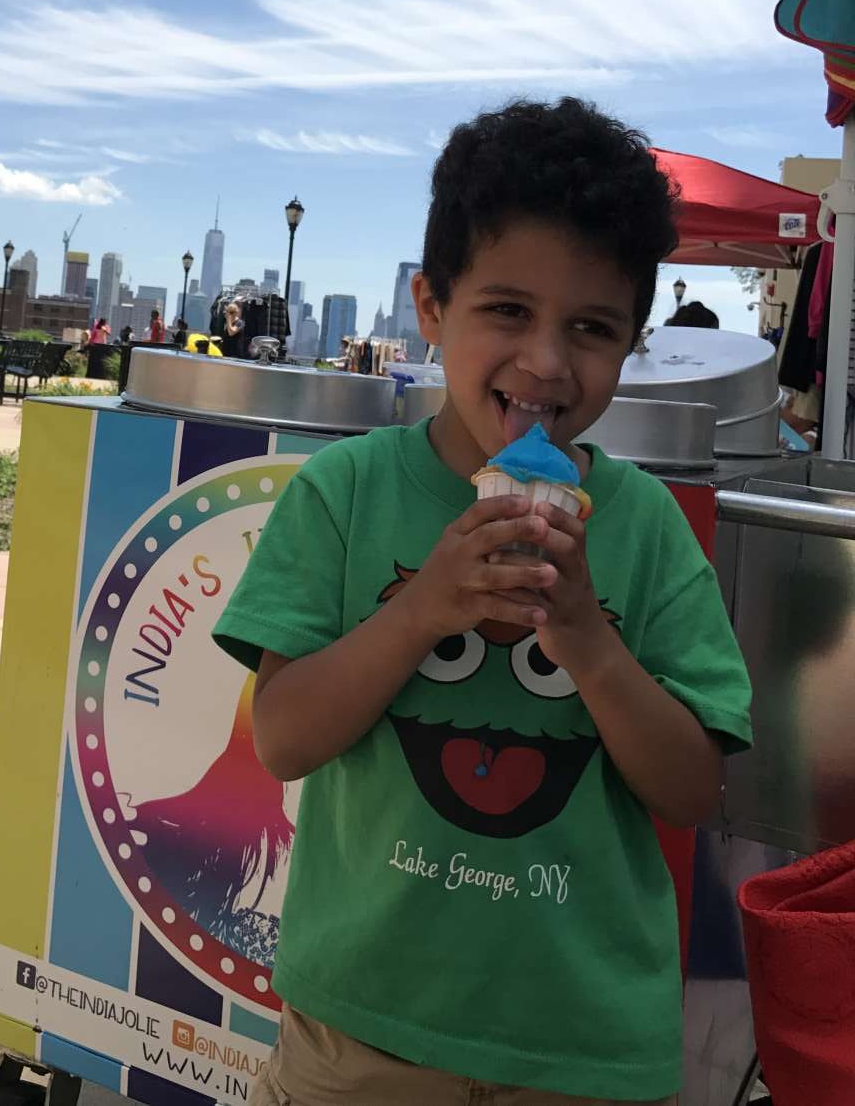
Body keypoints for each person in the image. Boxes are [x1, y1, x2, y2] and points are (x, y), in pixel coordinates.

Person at [215, 97, 752, 1106]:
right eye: (505, 311)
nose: (545, 363)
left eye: (589, 328)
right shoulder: (344, 495)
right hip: (359, 1031)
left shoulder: (641, 530)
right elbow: (282, 739)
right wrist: (419, 612)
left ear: (630, 342)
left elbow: (689, 794)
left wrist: (585, 637)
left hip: (582, 1047)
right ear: (430, 308)